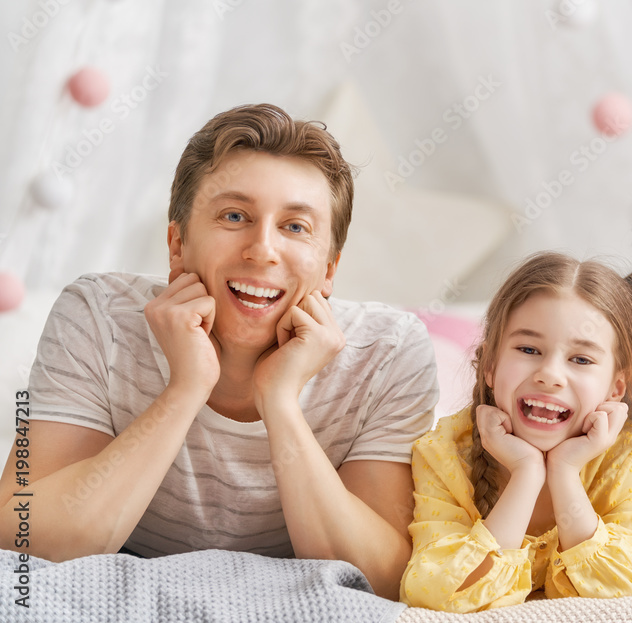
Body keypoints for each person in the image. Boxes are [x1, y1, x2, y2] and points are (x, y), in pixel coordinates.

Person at [0, 104, 438, 599]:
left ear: (330, 270)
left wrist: (280, 403)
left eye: (296, 227)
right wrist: (185, 390)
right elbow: (22, 539)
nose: (262, 250)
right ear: (177, 243)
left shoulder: (389, 352)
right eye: (235, 216)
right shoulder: (96, 315)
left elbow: (381, 579)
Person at [399, 252, 632, 612]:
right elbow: (431, 593)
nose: (550, 374)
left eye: (582, 359)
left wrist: (565, 473)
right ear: (490, 365)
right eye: (528, 349)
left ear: (616, 388)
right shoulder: (443, 452)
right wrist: (526, 474)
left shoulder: (624, 453)